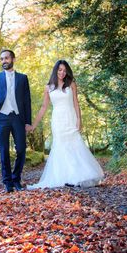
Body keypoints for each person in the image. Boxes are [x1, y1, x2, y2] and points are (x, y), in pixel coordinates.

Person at [27, 60, 104, 189]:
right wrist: (33, 125)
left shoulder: (71, 84)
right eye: (60, 70)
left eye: (64, 70)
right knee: (61, 146)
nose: (62, 73)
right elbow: (44, 107)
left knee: (75, 144)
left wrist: (79, 120)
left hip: (70, 117)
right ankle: (67, 177)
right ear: (55, 70)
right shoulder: (48, 87)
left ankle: (79, 176)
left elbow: (76, 103)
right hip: (57, 120)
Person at [0, 49, 32, 193]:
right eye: (1, 59)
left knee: (21, 149)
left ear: (13, 59)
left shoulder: (23, 78)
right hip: (1, 118)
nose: (4, 61)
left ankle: (16, 179)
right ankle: (7, 182)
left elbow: (27, 101)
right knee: (3, 151)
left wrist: (28, 121)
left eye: (6, 58)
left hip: (18, 118)